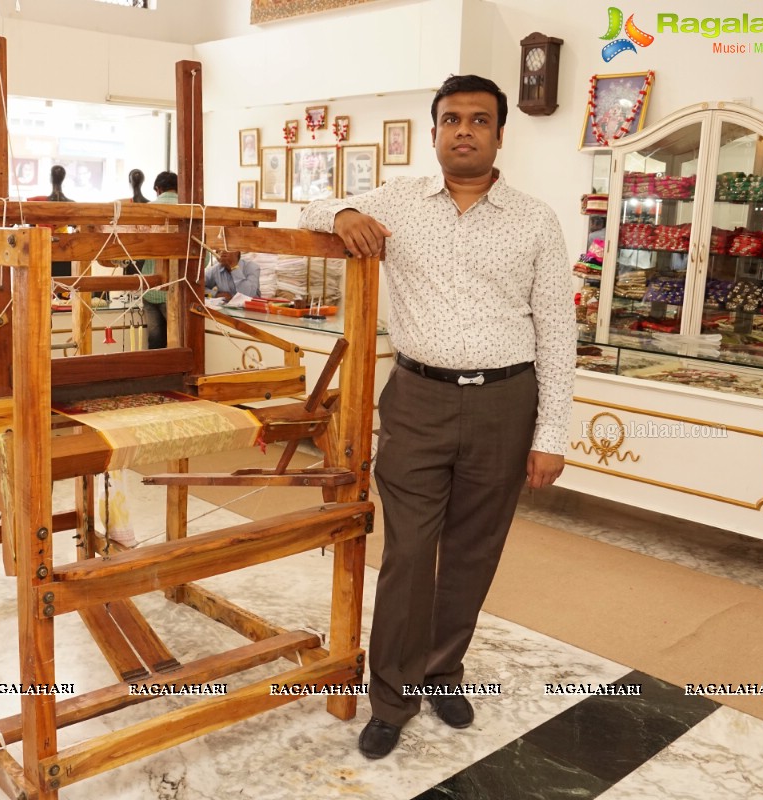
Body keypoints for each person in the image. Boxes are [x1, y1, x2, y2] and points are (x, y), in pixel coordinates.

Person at [299, 74, 574, 759]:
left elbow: (558, 334)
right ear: (433, 133)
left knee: (472, 555)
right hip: (417, 400)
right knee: (409, 553)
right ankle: (391, 694)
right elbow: (309, 206)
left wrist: (552, 433)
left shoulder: (535, 218)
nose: (464, 130)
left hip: (506, 403)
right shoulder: (398, 202)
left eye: (479, 120)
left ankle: (441, 670)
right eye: (451, 119)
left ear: (500, 134)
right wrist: (339, 217)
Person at [141, 171, 178, 349]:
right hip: (178, 287)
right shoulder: (191, 208)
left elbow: (137, 247)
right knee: (178, 339)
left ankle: (156, 374)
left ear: (158, 189)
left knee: (155, 341)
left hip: (150, 286)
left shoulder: (147, 210)